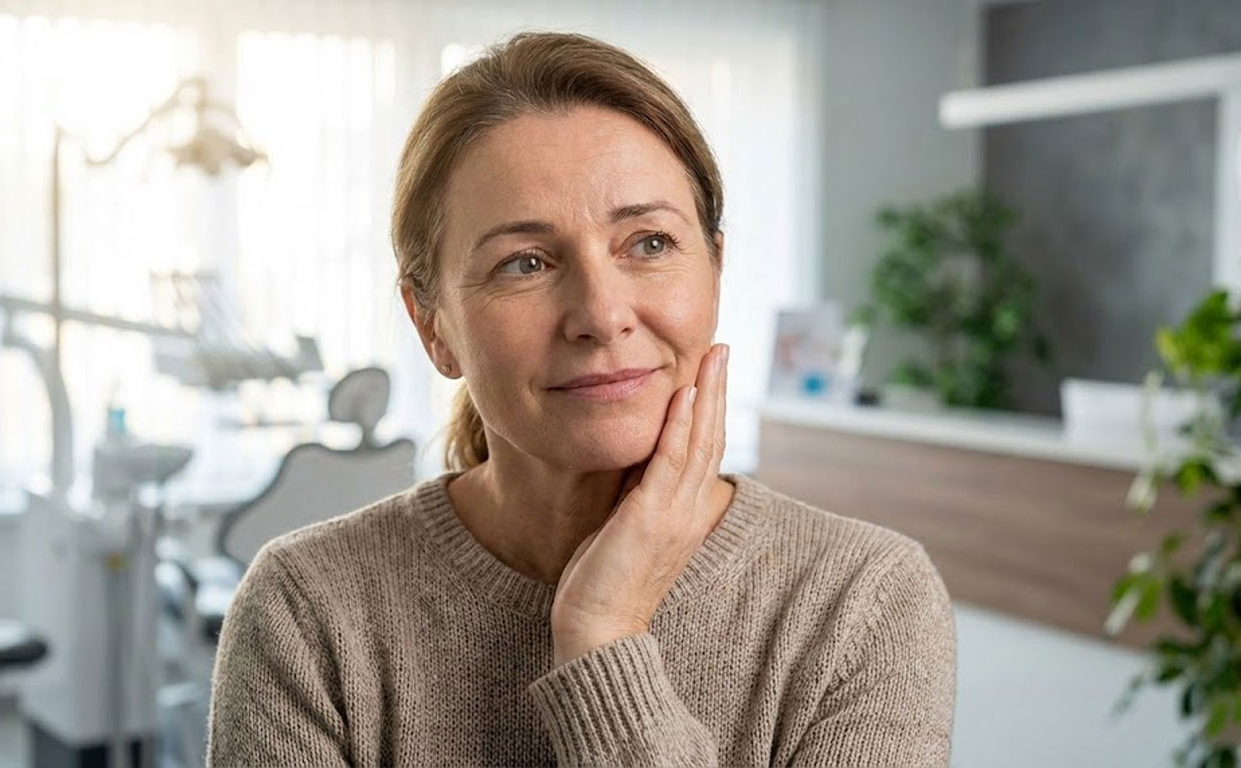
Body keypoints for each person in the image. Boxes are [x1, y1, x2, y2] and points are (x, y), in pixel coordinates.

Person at [207, 30, 956, 767]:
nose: (601, 314)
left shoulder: (862, 602)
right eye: (524, 262)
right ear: (432, 325)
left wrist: (604, 636)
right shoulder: (307, 610)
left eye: (650, 244)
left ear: (716, 269)